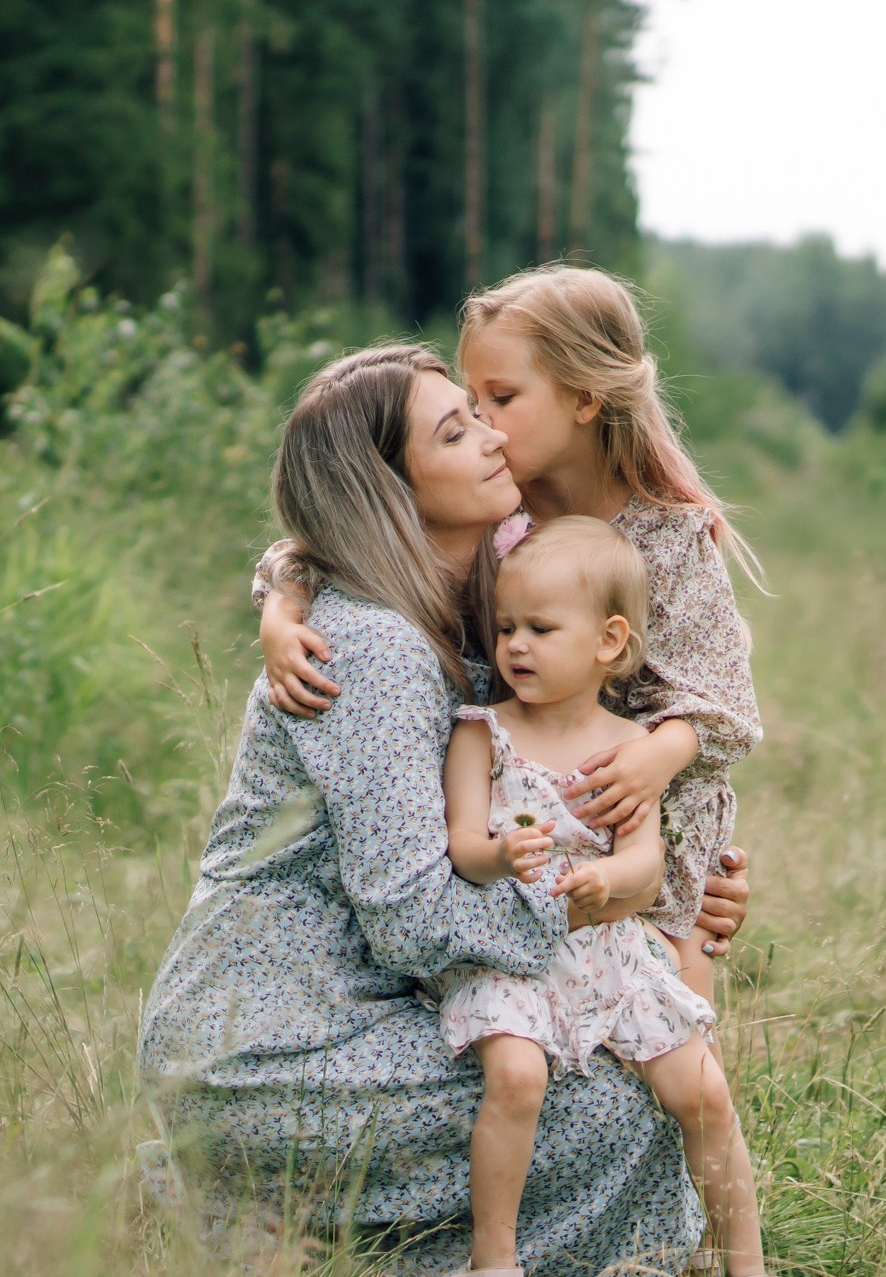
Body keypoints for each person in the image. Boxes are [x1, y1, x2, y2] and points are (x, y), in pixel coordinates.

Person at [138, 344, 736, 1277]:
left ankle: (339, 1247)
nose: (494, 434)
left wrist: (670, 884)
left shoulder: (480, 624)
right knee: (608, 1104)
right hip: (265, 1045)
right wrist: (598, 898)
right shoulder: (367, 647)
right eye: (456, 431)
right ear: (389, 489)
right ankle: (276, 1236)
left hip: (367, 1008)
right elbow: (413, 915)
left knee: (644, 1077)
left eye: (479, 412)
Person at [259, 265, 762, 1004]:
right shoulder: (499, 516)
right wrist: (282, 605)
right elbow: (333, 543)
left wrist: (660, 754)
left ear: (587, 397)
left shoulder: (671, 539)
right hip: (518, 842)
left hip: (641, 841)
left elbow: (727, 707)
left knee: (675, 1066)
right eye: (472, 402)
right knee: (521, 1038)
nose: (485, 427)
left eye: (503, 399)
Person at [437, 516, 791, 1277]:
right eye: (507, 627)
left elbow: (646, 864)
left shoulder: (630, 748)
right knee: (514, 1076)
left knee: (701, 1090)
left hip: (607, 950)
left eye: (539, 629)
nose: (515, 646)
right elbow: (460, 848)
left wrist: (610, 881)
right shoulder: (481, 731)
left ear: (609, 641)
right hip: (514, 951)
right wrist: (501, 854)